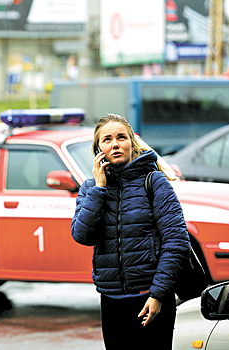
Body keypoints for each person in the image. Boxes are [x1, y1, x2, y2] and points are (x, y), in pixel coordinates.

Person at [71, 113, 190, 350]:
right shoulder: (89, 188)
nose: (115, 144)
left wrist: (157, 295)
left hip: (151, 298)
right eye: (107, 139)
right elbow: (82, 235)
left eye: (121, 137)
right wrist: (99, 189)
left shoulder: (153, 181)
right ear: (99, 149)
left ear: (131, 144)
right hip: (111, 300)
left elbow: (176, 242)